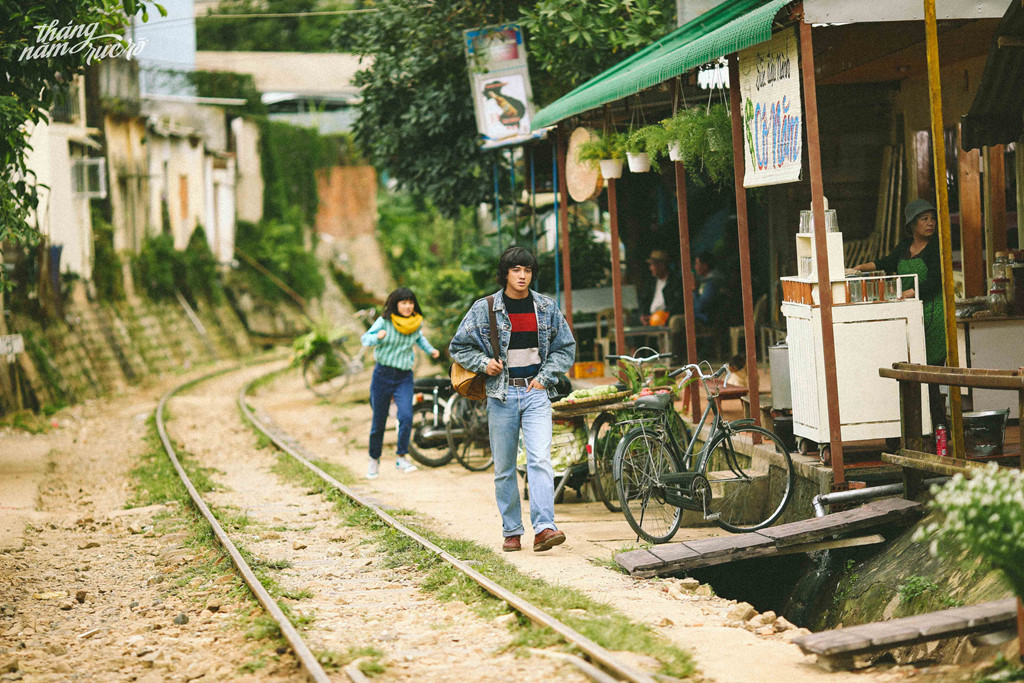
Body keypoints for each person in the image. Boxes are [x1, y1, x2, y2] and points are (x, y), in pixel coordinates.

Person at [449, 246, 576, 553]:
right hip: (501, 395)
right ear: (505, 273)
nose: (522, 276)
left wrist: (544, 378)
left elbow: (565, 347)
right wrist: (483, 364)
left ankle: (545, 528)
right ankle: (512, 531)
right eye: (516, 270)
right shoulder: (485, 308)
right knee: (504, 467)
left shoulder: (545, 307)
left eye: (528, 270)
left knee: (540, 460)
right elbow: (458, 347)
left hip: (535, 393)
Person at [852, 198, 946, 425]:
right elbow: (886, 261)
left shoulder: (936, 248)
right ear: (912, 225)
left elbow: (936, 280)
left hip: (934, 317)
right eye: (924, 219)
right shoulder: (904, 247)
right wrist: (856, 269)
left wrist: (912, 291)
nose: (930, 223)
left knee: (931, 374)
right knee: (911, 371)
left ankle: (940, 427)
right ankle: (916, 425)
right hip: (910, 317)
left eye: (932, 218)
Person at [361, 287, 441, 479]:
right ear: (396, 304)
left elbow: (419, 339)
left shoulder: (415, 324)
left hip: (404, 377)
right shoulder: (385, 322)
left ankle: (402, 457)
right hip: (382, 374)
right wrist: (376, 337)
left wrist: (431, 350)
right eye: (403, 302)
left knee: (406, 416)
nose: (407, 306)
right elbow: (365, 339)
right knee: (378, 422)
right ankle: (374, 460)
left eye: (410, 302)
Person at [637, 249, 686, 362]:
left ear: (662, 266)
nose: (651, 268)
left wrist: (661, 315)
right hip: (651, 316)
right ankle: (636, 359)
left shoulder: (675, 281)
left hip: (666, 315)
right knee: (631, 320)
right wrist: (643, 314)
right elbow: (643, 300)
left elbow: (677, 303)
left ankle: (671, 358)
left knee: (674, 322)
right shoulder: (650, 282)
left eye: (653, 265)